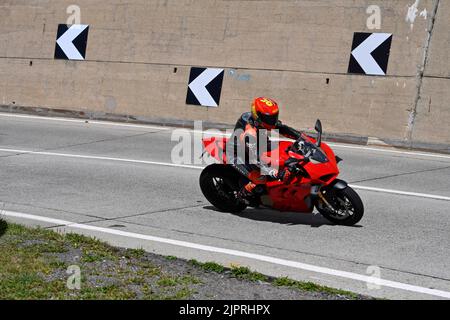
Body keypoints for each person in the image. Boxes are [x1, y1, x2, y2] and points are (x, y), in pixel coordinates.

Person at [229, 97, 303, 204]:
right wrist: (277, 173)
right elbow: (255, 161)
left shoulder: (259, 120)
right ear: (258, 117)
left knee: (284, 150)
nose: (273, 121)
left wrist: (303, 137)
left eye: (274, 117)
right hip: (239, 155)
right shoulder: (250, 133)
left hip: (258, 144)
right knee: (260, 178)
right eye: (270, 118)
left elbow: (282, 128)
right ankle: (242, 194)